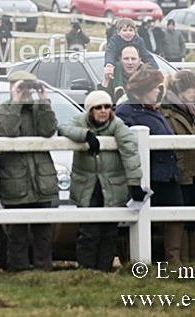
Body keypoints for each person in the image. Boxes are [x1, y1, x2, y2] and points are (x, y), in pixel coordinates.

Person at [58, 90, 143, 272]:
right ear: (90, 110)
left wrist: (134, 183)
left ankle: (104, 270)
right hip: (87, 188)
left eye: (107, 107)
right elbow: (64, 127)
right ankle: (87, 271)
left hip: (112, 188)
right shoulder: (79, 121)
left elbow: (130, 150)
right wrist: (85, 135)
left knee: (109, 232)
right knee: (89, 231)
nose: (103, 110)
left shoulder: (117, 124)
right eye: (98, 107)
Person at [115, 65, 184, 264]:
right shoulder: (125, 112)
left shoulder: (154, 111)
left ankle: (172, 261)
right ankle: (136, 261)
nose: (158, 91)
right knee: (141, 219)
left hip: (168, 174)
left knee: (175, 214)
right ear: (144, 89)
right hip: (148, 175)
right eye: (155, 87)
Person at [0, 70, 58, 271]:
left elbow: (49, 130)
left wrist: (43, 100)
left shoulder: (40, 108)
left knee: (43, 233)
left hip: (41, 180)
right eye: (22, 86)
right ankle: (18, 271)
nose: (26, 91)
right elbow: (9, 132)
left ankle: (43, 270)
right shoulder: (2, 110)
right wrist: (16, 101)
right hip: (16, 180)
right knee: (17, 234)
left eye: (29, 87)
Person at [159, 70, 195, 262]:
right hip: (181, 172)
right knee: (180, 218)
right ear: (181, 89)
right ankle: (179, 263)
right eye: (192, 88)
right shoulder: (164, 111)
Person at [103, 17, 157, 84]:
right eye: (125, 30)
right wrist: (109, 64)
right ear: (118, 32)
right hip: (119, 67)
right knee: (118, 65)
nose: (128, 33)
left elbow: (146, 55)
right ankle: (118, 87)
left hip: (135, 71)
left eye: (130, 30)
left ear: (135, 32)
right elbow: (110, 53)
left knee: (143, 67)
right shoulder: (115, 40)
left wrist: (155, 68)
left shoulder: (138, 41)